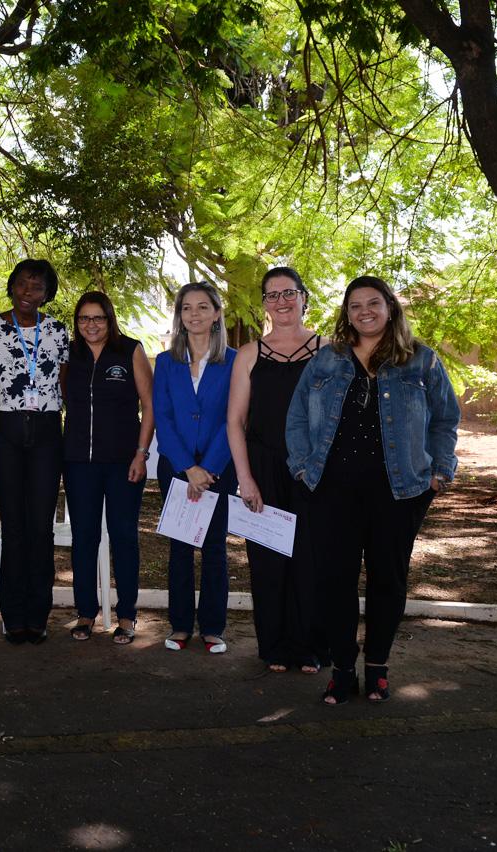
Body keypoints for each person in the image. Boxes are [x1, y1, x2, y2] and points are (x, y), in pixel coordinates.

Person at [287, 275, 459, 705]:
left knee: (389, 582)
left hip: (399, 494)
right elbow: (296, 421)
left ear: (390, 308)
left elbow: (444, 420)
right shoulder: (326, 361)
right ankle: (342, 669)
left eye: (373, 303)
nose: (364, 311)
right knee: (334, 583)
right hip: (332, 492)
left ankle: (378, 667)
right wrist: (303, 470)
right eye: (355, 305)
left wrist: (440, 472)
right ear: (346, 313)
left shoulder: (421, 361)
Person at [227, 267, 328, 674]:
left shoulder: (329, 350)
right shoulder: (250, 354)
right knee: (268, 560)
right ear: (263, 304)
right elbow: (235, 421)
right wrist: (245, 478)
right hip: (264, 466)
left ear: (304, 298)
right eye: (272, 295)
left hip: (314, 469)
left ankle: (309, 647)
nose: (282, 302)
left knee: (312, 559)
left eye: (289, 293)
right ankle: (274, 647)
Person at [0, 259, 69, 644]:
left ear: (48, 294)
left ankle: (38, 614)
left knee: (40, 528)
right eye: (23, 285)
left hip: (47, 432)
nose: (29, 293)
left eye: (38, 287)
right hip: (5, 431)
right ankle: (13, 615)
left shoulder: (59, 332)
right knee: (13, 526)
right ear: (12, 287)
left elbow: (67, 384)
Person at [62, 291, 154, 645]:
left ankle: (127, 615)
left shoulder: (130, 350)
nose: (91, 325)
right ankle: (86, 613)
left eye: (98, 318)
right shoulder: (69, 355)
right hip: (78, 463)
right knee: (84, 538)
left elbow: (149, 404)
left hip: (123, 464)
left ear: (110, 318)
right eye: (84, 318)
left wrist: (141, 454)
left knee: (124, 537)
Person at [153, 281, 238, 655]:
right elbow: (163, 417)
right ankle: (181, 625)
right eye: (187, 308)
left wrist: (208, 469)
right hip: (176, 467)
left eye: (203, 307)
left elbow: (234, 419)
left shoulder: (235, 361)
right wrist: (188, 468)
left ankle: (213, 627)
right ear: (179, 315)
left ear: (217, 313)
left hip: (220, 468)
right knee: (180, 547)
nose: (195, 314)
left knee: (215, 548)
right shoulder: (165, 362)